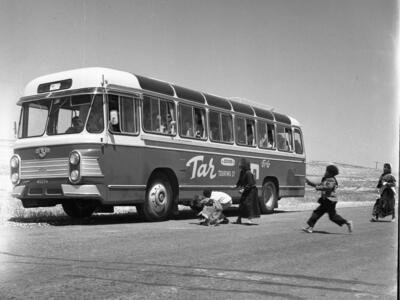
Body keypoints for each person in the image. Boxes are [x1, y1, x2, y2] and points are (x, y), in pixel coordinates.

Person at [303, 165, 353, 233]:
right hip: (326, 201)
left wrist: (318, 188)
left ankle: (347, 222)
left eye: (327, 171)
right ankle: (310, 227)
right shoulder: (326, 179)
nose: (325, 172)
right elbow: (319, 184)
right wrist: (309, 182)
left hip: (330, 201)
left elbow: (328, 187)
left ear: (330, 173)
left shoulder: (331, 180)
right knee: (325, 215)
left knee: (323, 214)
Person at [235, 158, 260, 225]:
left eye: (241, 163)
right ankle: (239, 219)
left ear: (244, 165)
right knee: (242, 204)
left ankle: (250, 219)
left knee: (249, 205)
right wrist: (236, 186)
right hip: (247, 189)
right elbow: (240, 180)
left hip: (251, 191)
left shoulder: (248, 173)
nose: (239, 164)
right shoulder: (242, 172)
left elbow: (250, 184)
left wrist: (243, 189)